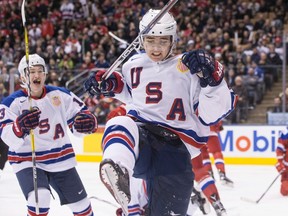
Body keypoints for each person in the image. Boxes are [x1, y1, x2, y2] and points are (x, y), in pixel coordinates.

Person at [84, 9, 236, 216]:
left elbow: (211, 115)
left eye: (162, 41)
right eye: (150, 40)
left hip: (177, 150)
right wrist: (109, 84)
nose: (155, 48)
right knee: (120, 123)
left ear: (173, 40)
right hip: (145, 140)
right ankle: (118, 169)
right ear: (141, 40)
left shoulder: (190, 67)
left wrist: (213, 80)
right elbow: (131, 92)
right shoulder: (132, 65)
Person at [0, 54, 98, 215]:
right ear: (22, 76)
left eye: (40, 71)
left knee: (82, 206)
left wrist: (85, 124)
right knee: (39, 198)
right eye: (31, 72)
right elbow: (7, 137)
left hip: (60, 158)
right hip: (28, 160)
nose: (36, 75)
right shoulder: (11, 103)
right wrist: (19, 127)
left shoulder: (61, 94)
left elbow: (81, 118)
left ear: (45, 74)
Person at [201, 121, 234, 187]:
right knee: (216, 152)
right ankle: (222, 174)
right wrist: (219, 125)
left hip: (200, 133)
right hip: (211, 131)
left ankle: (209, 175)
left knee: (204, 156)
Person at [275, 128, 288, 196]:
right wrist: (280, 162)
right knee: (285, 191)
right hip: (287, 167)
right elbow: (279, 150)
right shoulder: (285, 134)